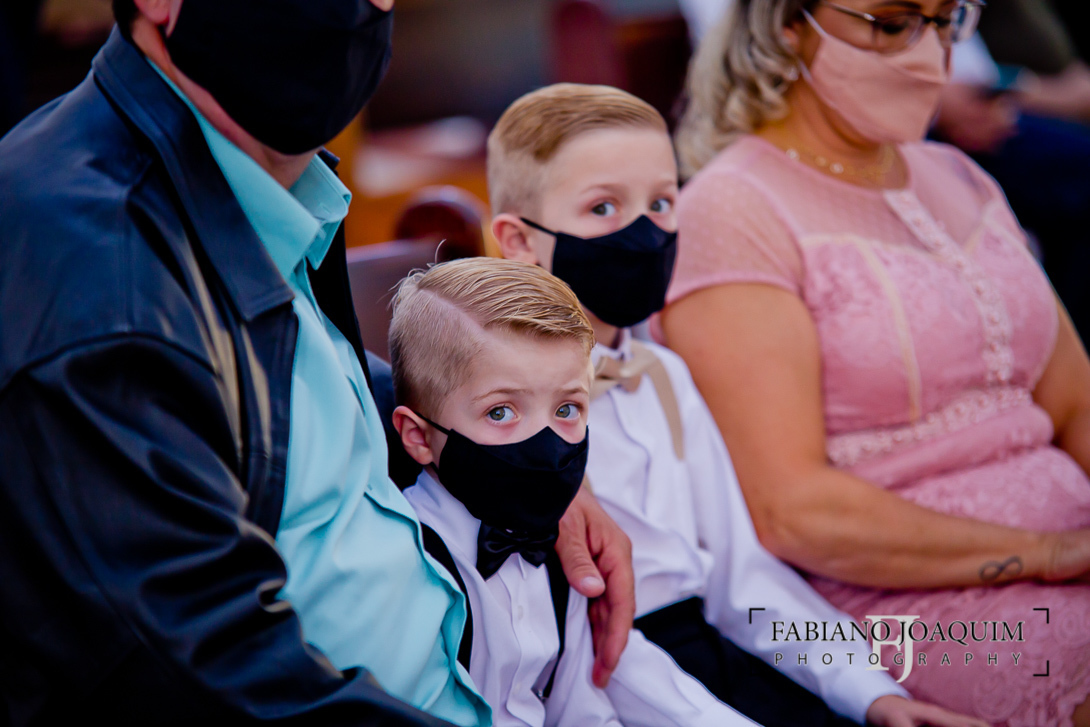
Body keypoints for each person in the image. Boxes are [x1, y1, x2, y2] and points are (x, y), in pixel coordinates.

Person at [0, 0, 636, 723]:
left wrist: (499, 443)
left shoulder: (259, 180)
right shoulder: (101, 288)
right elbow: (206, 679)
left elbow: (291, 389)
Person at [486, 82, 983, 727]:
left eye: (661, 203)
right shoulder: (503, 416)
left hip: (710, 656)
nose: (644, 231)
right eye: (603, 207)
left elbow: (741, 579)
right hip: (611, 687)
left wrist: (872, 694)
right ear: (520, 241)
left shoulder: (664, 376)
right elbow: (584, 645)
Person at [663, 0, 1090, 724]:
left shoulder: (960, 175)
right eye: (892, 24)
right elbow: (793, 510)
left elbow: (1074, 401)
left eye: (946, 21)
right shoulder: (732, 211)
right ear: (789, 24)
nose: (930, 56)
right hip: (899, 605)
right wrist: (1051, 553)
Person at [390, 257, 762, 727]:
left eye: (566, 409)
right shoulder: (407, 568)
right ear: (419, 437)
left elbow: (583, 710)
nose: (546, 444)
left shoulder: (563, 551)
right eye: (501, 412)